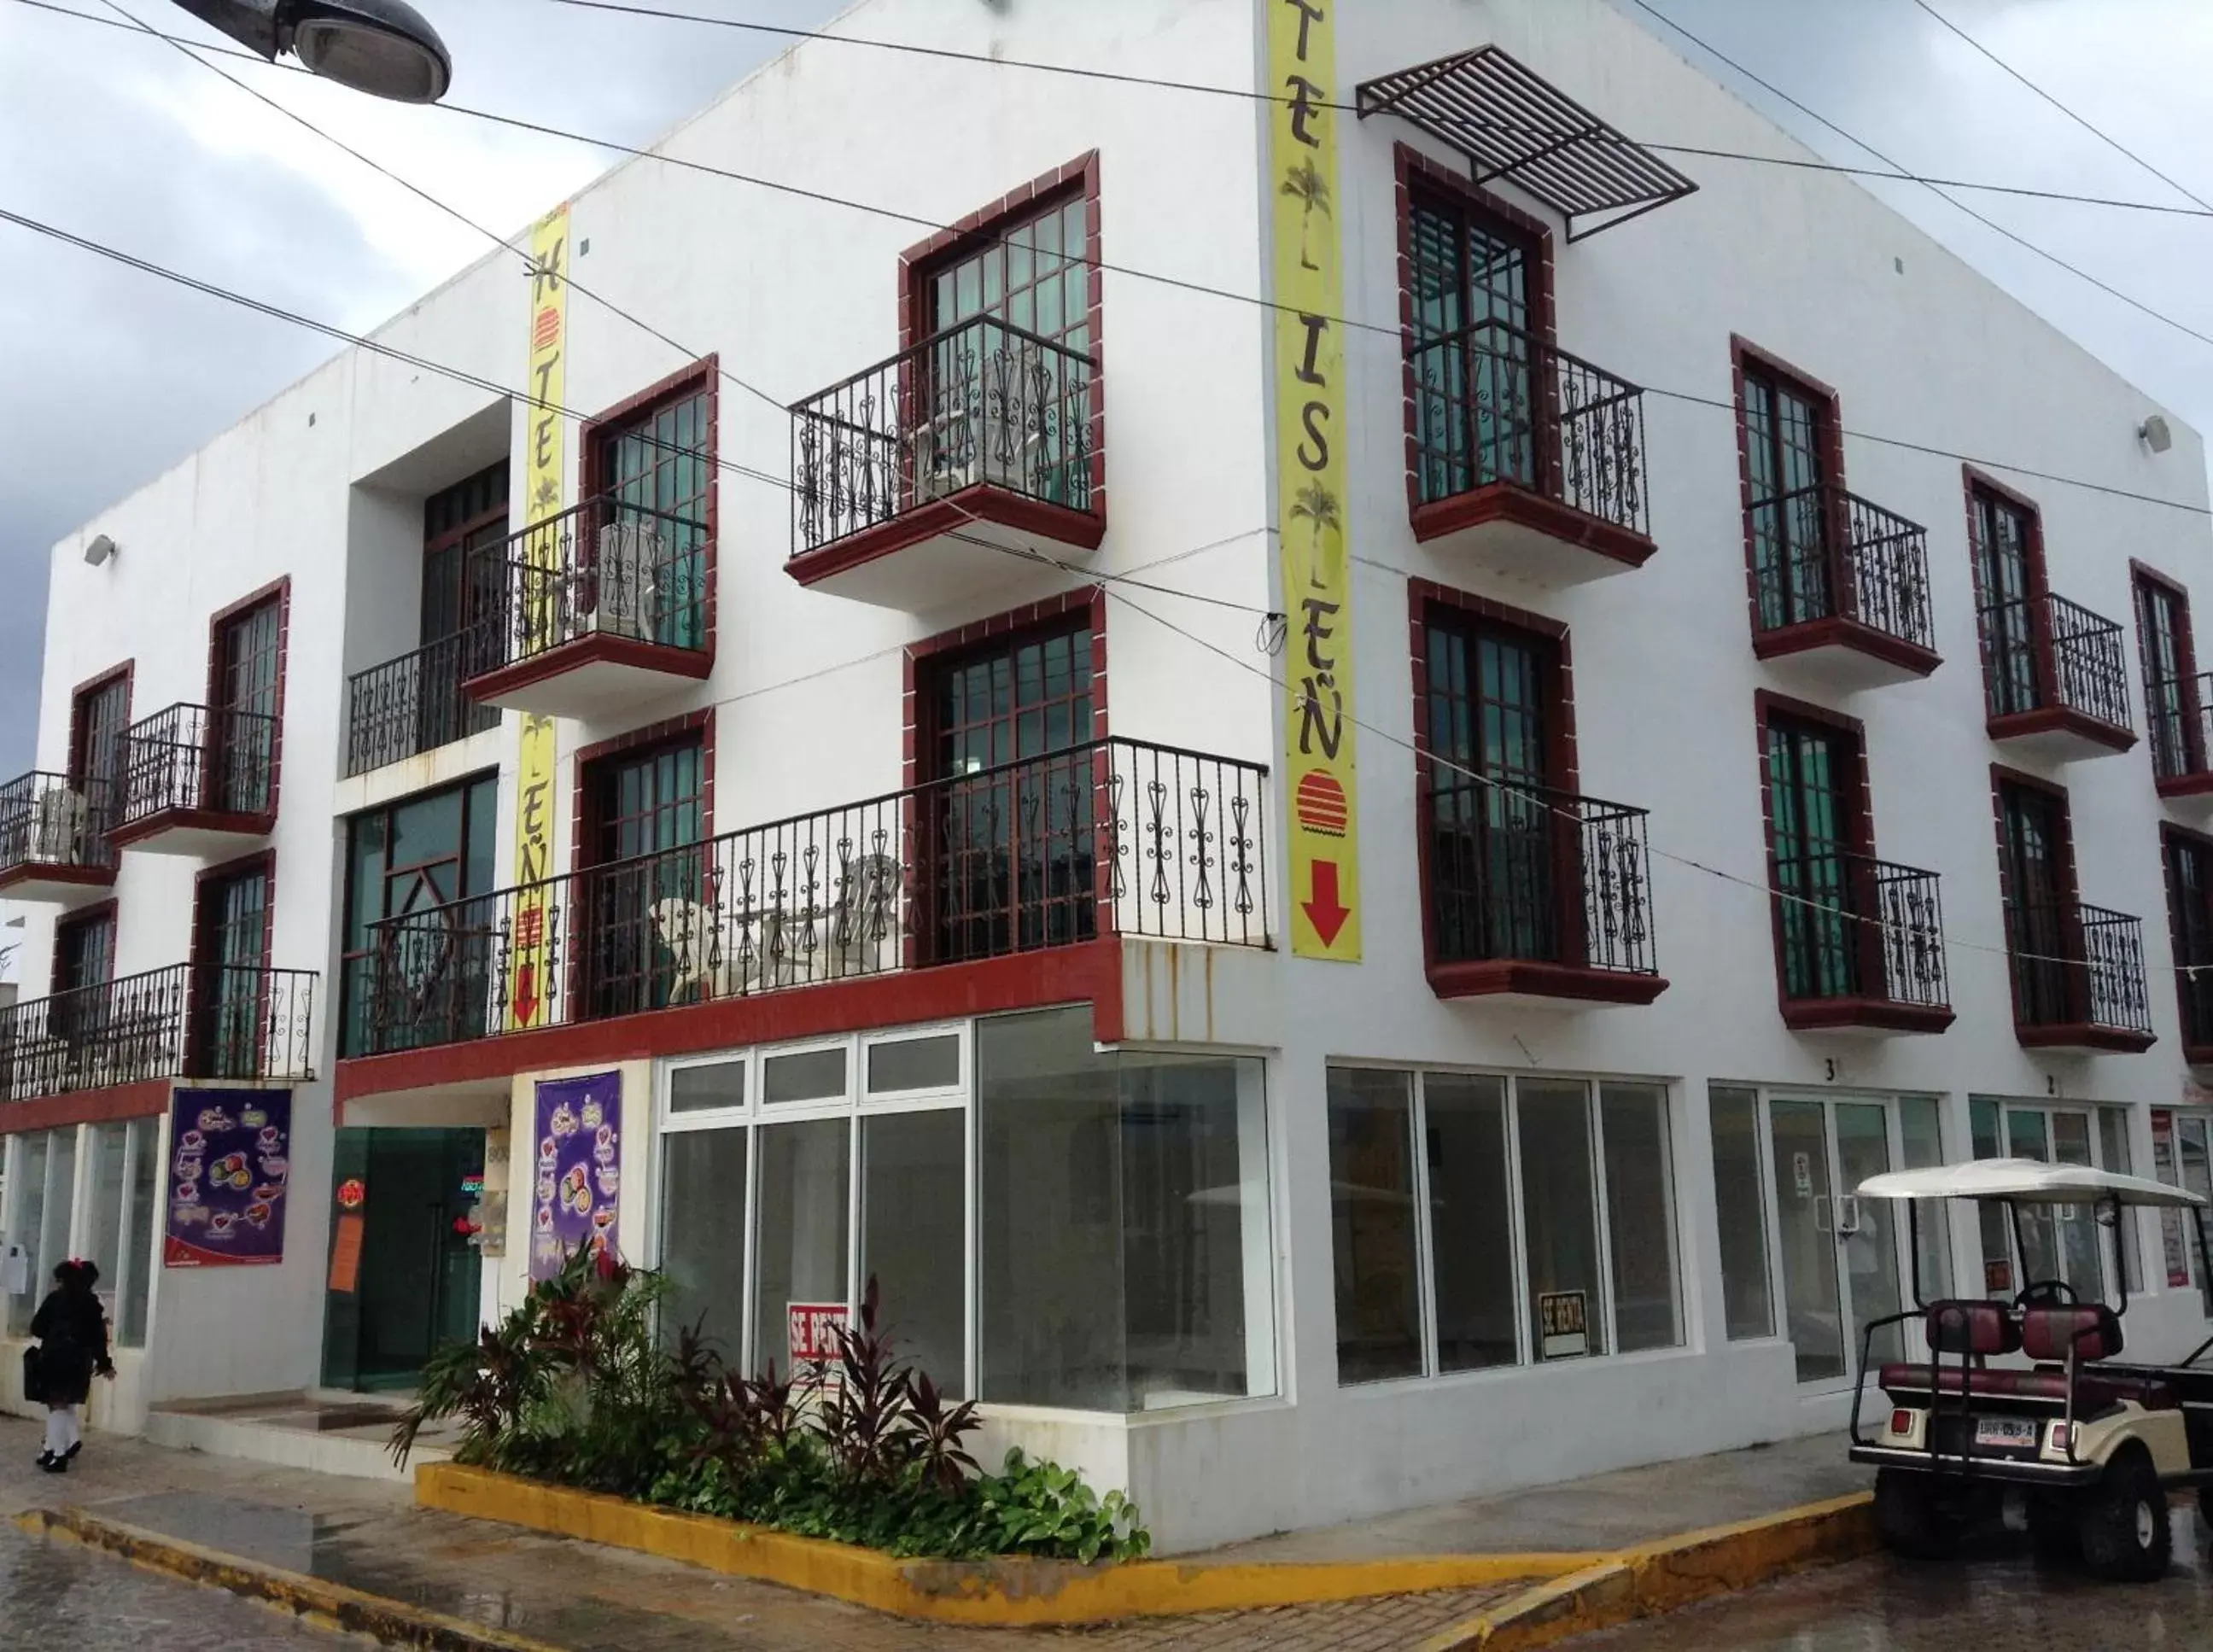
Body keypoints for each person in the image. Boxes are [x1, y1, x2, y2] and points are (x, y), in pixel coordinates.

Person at [29, 1259, 113, 1474]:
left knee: (55, 1404)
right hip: (80, 1361)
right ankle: (54, 1448)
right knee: (65, 1404)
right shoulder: (92, 1304)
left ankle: (58, 1455)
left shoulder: (55, 1299)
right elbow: (98, 1338)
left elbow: (37, 1327)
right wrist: (104, 1363)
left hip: (55, 1357)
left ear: (62, 1280)